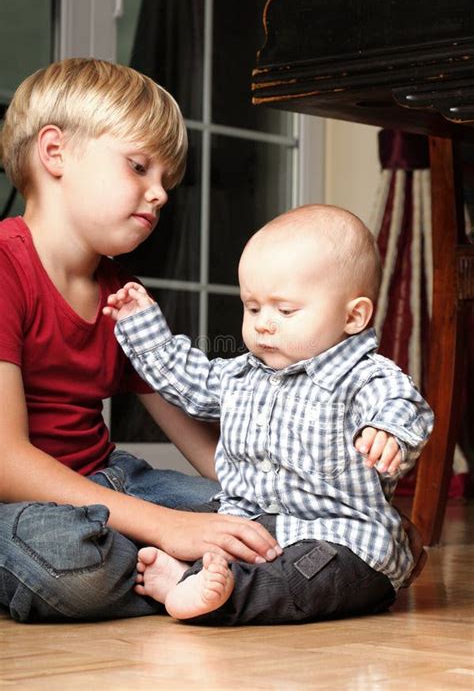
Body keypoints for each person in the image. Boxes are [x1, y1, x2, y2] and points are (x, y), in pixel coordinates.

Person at [0, 57, 283, 623]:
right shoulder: (6, 268)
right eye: (139, 167)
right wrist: (168, 526)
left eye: (166, 182)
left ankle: (180, 574)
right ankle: (186, 571)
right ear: (54, 152)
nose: (159, 195)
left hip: (111, 481)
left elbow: (201, 442)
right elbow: (6, 460)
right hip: (20, 500)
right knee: (77, 570)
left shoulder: (120, 296)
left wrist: (298, 503)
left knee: (265, 526)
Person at [104, 204, 435, 626]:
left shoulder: (364, 376)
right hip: (255, 525)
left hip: (339, 536)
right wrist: (140, 323)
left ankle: (217, 594)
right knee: (208, 534)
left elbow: (403, 405)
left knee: (312, 575)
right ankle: (197, 577)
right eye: (253, 308)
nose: (263, 325)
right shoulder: (243, 375)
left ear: (353, 316)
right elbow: (184, 380)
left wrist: (387, 432)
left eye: (285, 310)